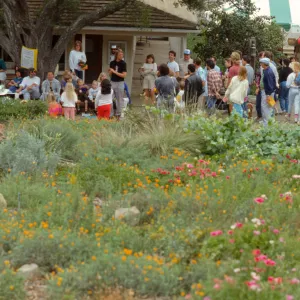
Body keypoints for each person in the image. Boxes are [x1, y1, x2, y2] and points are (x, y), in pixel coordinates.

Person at [109, 49, 127, 120]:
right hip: (112, 82)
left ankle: (119, 114)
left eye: (122, 54)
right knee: (110, 98)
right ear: (116, 55)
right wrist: (110, 71)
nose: (122, 56)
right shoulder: (112, 63)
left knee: (119, 99)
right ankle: (110, 114)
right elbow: (110, 74)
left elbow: (124, 75)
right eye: (120, 54)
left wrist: (114, 72)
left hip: (120, 83)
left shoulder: (123, 63)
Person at [259, 58, 276, 126]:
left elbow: (269, 83)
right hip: (269, 91)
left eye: (261, 63)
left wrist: (268, 94)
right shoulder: (267, 70)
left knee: (265, 107)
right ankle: (268, 121)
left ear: (264, 64)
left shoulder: (267, 72)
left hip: (267, 92)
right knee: (269, 106)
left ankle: (266, 123)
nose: (260, 64)